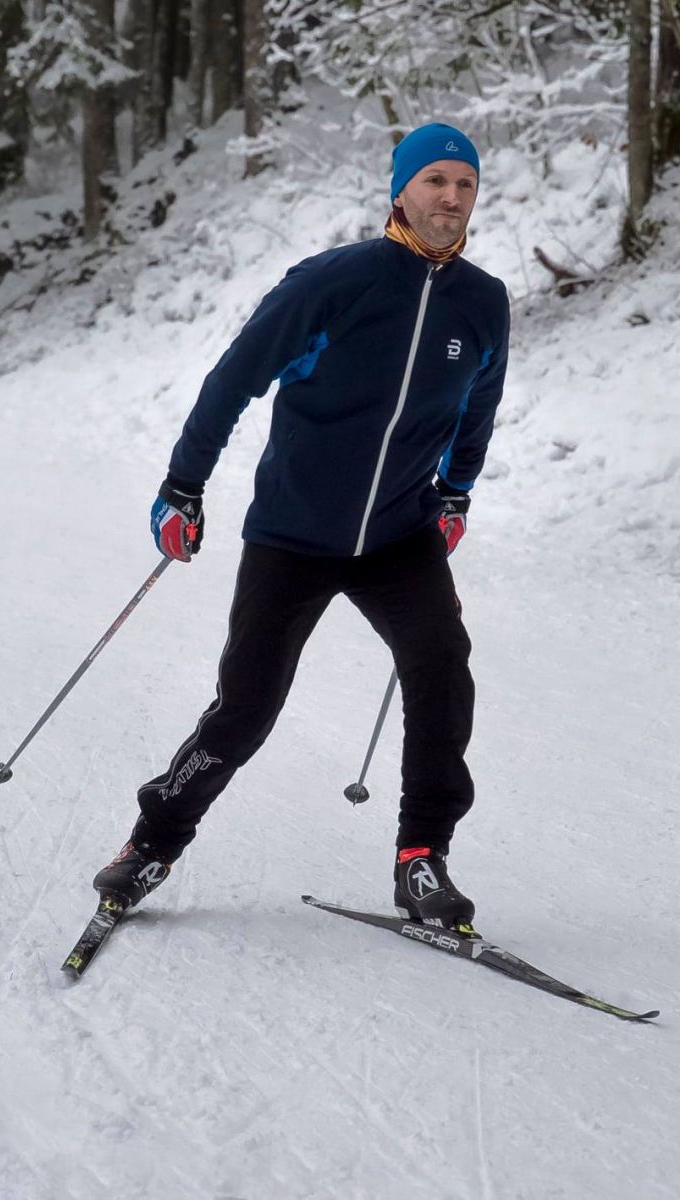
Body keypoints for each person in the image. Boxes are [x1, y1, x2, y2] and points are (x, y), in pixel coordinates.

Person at [92, 123, 511, 931]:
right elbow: (235, 378)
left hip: (399, 531)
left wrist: (455, 493)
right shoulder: (335, 282)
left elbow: (479, 407)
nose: (451, 198)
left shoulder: (482, 300)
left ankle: (422, 857)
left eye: (464, 183)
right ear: (400, 190)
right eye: (435, 182)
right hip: (294, 533)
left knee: (441, 665)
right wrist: (184, 484)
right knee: (245, 708)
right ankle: (152, 841)